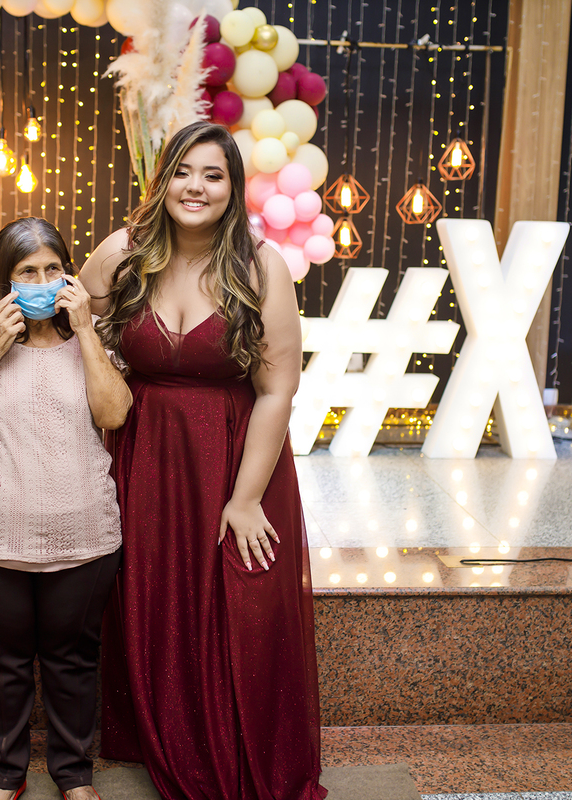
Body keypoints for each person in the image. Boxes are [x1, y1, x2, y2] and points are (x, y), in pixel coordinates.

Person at [80, 121, 327, 800]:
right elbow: (72, 316)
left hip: (234, 455)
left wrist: (244, 499)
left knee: (239, 601)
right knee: (154, 594)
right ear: (162, 182)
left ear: (233, 188)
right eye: (183, 172)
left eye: (213, 175)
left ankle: (235, 743)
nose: (196, 187)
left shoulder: (260, 265)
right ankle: (163, 734)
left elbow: (277, 390)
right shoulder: (126, 254)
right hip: (146, 453)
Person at [0, 217, 131, 800]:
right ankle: (6, 776)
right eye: (28, 272)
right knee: (1, 661)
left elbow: (113, 414)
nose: (43, 282)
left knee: (73, 660)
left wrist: (86, 330)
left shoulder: (94, 336)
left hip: (84, 535)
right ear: (5, 282)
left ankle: (74, 775)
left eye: (53, 269)